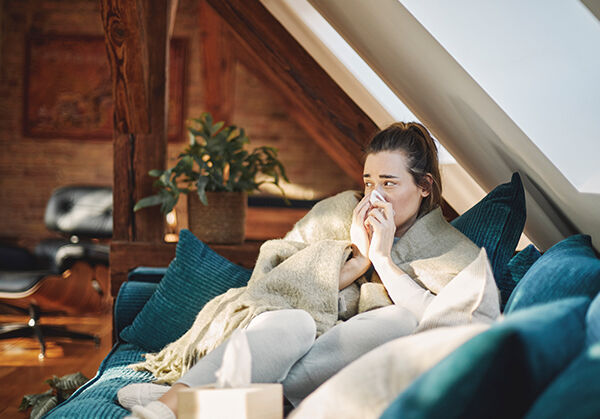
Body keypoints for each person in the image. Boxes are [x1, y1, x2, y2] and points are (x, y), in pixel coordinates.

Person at [118, 122, 477, 419]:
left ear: (424, 186)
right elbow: (272, 277)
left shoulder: (449, 249)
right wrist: (352, 262)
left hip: (341, 368)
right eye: (369, 182)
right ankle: (172, 406)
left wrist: (382, 260)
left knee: (399, 321)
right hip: (281, 335)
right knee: (295, 322)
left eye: (389, 183)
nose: (374, 197)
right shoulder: (339, 212)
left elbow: (445, 328)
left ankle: (202, 405)